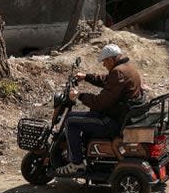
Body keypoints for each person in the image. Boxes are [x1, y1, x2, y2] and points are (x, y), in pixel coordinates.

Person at [57, 43, 145, 175]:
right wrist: (86, 77)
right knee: (87, 116)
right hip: (123, 116)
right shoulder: (128, 67)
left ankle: (76, 163)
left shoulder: (118, 72)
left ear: (110, 59)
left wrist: (79, 95)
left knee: (71, 120)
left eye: (104, 62)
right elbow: (107, 80)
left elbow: (100, 103)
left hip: (113, 122)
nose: (104, 65)